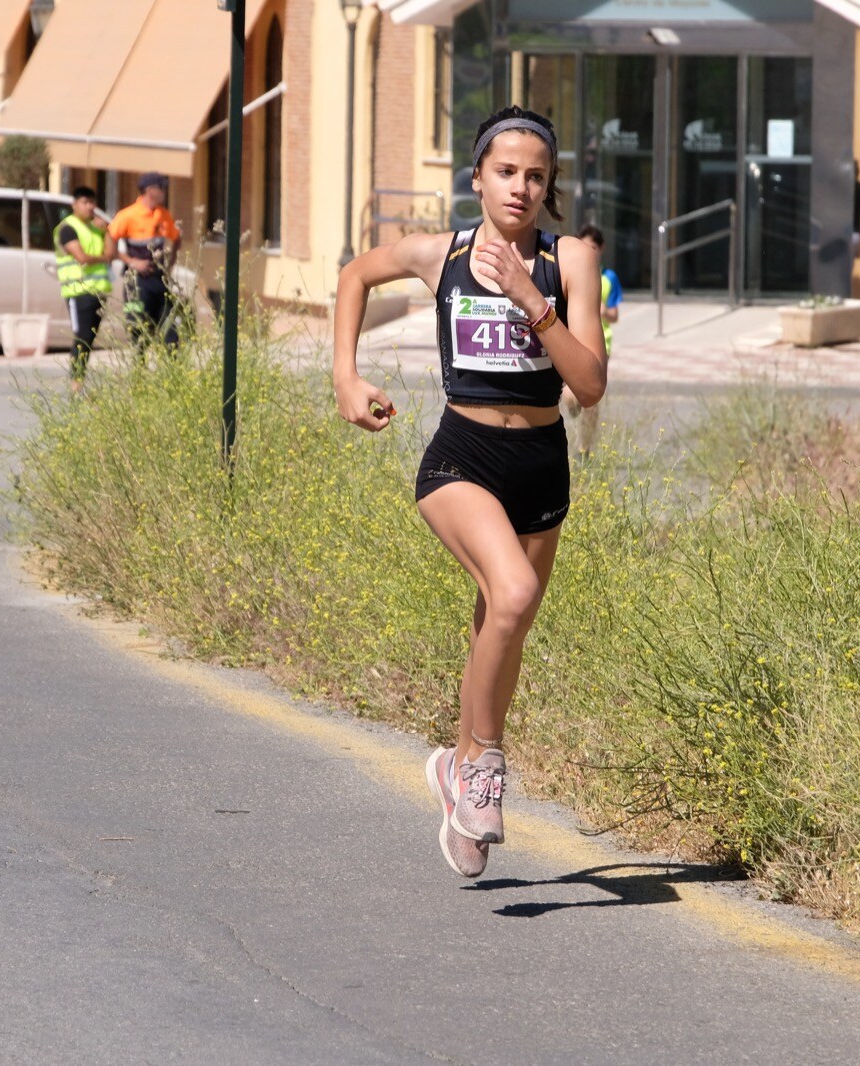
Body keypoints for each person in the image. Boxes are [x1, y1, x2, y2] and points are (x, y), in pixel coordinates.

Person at [332, 106, 607, 879]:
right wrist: (345, 376)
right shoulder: (441, 252)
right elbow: (356, 275)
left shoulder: (569, 259)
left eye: (536, 176)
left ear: (549, 186)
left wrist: (531, 299)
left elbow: (587, 386)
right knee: (513, 593)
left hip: (541, 466)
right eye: (506, 172)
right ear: (478, 177)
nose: (520, 187)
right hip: (462, 458)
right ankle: (484, 763)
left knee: (503, 625)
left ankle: (457, 769)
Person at [560, 223, 619, 456]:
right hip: (573, 340)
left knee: (592, 398)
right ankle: (575, 413)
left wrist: (603, 310)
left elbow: (614, 315)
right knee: (570, 395)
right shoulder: (569, 271)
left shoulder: (608, 278)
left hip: (601, 342)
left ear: (601, 249)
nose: (587, 252)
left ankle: (585, 447)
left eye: (592, 248)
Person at [109, 172, 183, 350]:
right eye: (161, 188)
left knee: (170, 332)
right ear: (150, 190)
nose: (165, 191)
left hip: (159, 280)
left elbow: (176, 238)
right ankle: (139, 371)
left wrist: (169, 265)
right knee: (138, 330)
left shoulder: (163, 214)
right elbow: (109, 242)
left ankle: (172, 371)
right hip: (135, 282)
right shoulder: (127, 215)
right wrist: (132, 261)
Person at [56, 186, 114, 383]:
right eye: (85, 202)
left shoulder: (94, 228)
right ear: (75, 205)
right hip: (78, 292)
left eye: (92, 202)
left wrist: (106, 232)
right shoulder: (68, 228)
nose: (90, 207)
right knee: (81, 338)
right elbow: (81, 257)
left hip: (98, 292)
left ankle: (79, 380)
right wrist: (103, 258)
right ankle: (76, 383)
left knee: (89, 340)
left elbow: (111, 253)